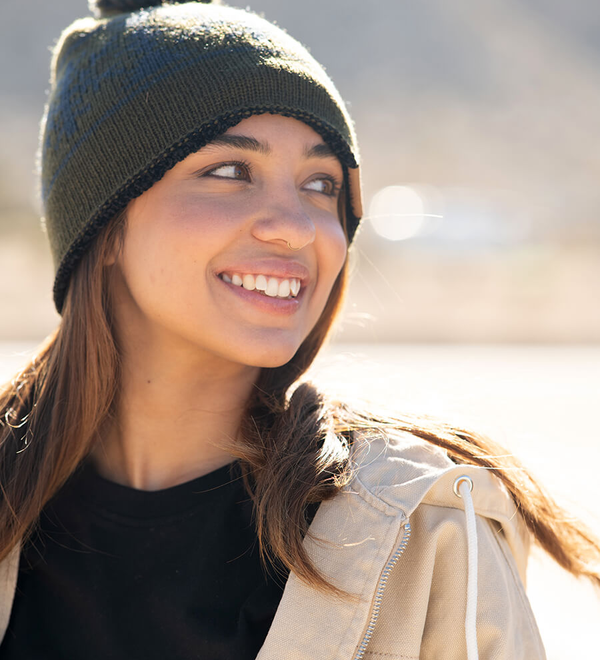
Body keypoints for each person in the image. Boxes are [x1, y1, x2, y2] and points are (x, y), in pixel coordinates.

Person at [0, 1, 598, 658]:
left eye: (321, 184)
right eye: (229, 172)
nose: (295, 225)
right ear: (104, 226)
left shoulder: (425, 529)